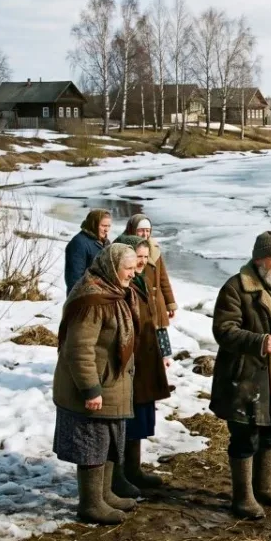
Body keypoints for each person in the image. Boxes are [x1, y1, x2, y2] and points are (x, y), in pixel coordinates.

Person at [209, 231, 271, 520]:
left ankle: (266, 486)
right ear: (259, 260)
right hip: (244, 379)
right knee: (245, 438)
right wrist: (258, 341)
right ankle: (243, 498)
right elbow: (223, 330)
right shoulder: (235, 288)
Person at [52, 244, 140, 525]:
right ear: (113, 267)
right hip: (93, 387)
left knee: (109, 440)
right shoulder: (92, 300)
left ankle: (105, 495)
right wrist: (90, 388)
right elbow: (79, 349)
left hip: (112, 384)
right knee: (91, 444)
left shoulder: (114, 292)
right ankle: (90, 504)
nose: (133, 274)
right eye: (128, 269)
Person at [112, 235, 173, 496]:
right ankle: (119, 476)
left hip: (145, 360)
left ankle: (133, 470)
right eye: (139, 258)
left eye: (146, 258)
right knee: (125, 420)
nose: (143, 262)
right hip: (130, 362)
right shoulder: (121, 286)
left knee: (138, 418)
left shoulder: (142, 280)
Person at [123, 214, 177, 359]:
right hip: (139, 304)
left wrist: (170, 304)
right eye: (141, 230)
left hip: (156, 303)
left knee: (162, 352)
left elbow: (163, 278)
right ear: (133, 229)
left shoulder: (154, 249)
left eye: (148, 230)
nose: (145, 234)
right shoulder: (124, 248)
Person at [65, 209, 112, 292]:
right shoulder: (79, 243)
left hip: (102, 294)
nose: (107, 230)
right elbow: (74, 279)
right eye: (103, 226)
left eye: (108, 226)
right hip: (85, 296)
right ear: (93, 224)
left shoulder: (105, 242)